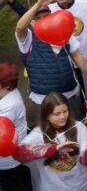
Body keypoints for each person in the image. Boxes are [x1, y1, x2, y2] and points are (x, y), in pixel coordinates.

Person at [14, 0, 85, 117]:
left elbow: (78, 56)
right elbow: (20, 27)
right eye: (37, 17)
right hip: (43, 99)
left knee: (77, 126)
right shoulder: (28, 38)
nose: (42, 20)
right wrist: (38, 4)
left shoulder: (63, 32)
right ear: (31, 20)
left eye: (45, 16)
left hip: (70, 93)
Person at [14, 92, 87, 191]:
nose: (62, 116)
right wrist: (54, 149)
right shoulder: (38, 134)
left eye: (65, 111)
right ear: (46, 115)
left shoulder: (79, 127)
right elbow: (19, 154)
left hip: (84, 186)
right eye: (56, 114)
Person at [0, 62, 32, 191]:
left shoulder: (9, 106)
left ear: (7, 86)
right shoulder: (10, 92)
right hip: (17, 153)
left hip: (9, 160)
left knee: (14, 185)